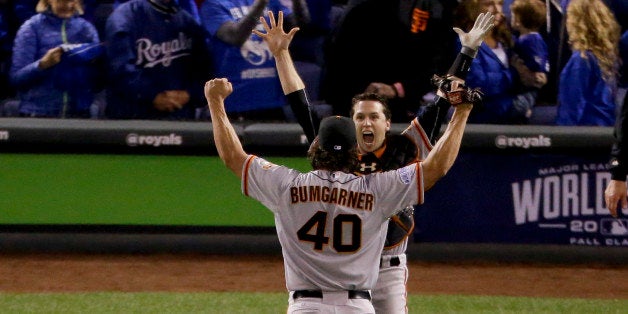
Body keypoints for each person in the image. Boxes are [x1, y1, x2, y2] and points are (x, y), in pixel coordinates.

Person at [254, 10, 493, 313]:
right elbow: (300, 102)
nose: (367, 123)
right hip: (344, 267)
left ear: (387, 122)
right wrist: (281, 54)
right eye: (360, 117)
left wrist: (468, 52)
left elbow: (446, 97)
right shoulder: (333, 151)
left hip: (389, 265)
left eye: (374, 117)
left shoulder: (406, 145)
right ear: (351, 124)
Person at [206, 72, 474, 312]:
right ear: (354, 152)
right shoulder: (377, 190)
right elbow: (436, 166)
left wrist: (216, 103)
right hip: (356, 305)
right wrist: (461, 112)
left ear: (315, 148)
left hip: (305, 306)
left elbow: (233, 156)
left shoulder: (286, 186)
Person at [322, 0, 459, 123]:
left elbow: (439, 64)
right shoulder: (362, 10)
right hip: (353, 100)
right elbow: (338, 63)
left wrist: (398, 89)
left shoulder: (437, 8)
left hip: (398, 104)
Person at [199, 0, 309, 121]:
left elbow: (300, 27)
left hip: (272, 100)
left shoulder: (273, 4)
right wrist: (261, 4)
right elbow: (234, 37)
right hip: (235, 101)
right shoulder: (214, 5)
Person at [105, 0, 213, 120]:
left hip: (180, 120)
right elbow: (119, 69)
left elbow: (205, 73)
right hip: (131, 120)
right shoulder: (124, 16)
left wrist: (188, 94)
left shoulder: (188, 23)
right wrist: (152, 95)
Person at [9, 0, 104, 118]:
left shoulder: (87, 29)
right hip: (39, 114)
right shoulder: (31, 28)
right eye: (62, 1)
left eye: (72, 1)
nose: (68, 5)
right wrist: (42, 65)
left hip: (78, 114)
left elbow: (98, 79)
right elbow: (16, 78)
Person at [555, 0, 620, 126]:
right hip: (605, 130)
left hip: (585, 134)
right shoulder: (606, 58)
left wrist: (562, 139)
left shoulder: (581, 60)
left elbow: (571, 109)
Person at [455, 0, 519, 124]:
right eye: (489, 4)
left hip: (511, 117)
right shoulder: (465, 42)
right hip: (482, 121)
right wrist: (514, 74)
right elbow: (479, 85)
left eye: (500, 4)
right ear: (472, 8)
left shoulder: (506, 39)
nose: (497, 10)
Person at [509, 0, 549, 123]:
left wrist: (529, 69)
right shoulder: (521, 38)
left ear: (518, 20)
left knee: (521, 105)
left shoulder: (531, 40)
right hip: (520, 86)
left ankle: (525, 112)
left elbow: (538, 62)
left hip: (529, 87)